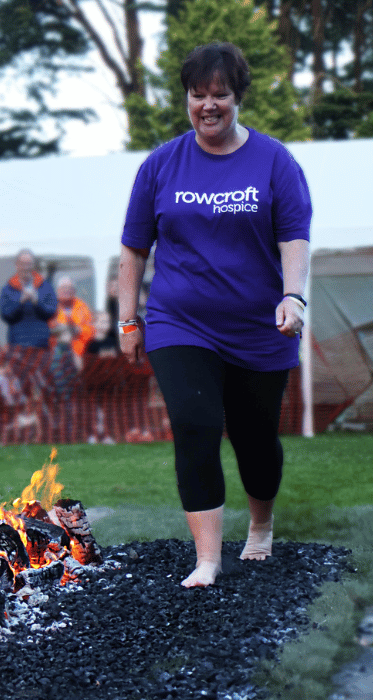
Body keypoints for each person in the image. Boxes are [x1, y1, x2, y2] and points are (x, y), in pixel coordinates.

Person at [118, 42, 312, 588]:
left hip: (258, 328)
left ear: (236, 98)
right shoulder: (160, 165)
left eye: (219, 94)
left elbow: (293, 237)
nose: (208, 105)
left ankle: (260, 523)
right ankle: (207, 559)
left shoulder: (275, 161)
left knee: (255, 442)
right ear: (186, 98)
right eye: (197, 94)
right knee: (197, 425)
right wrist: (128, 321)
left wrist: (292, 296)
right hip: (181, 323)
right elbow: (133, 248)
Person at [0, 249, 57, 349]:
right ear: (17, 265)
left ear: (33, 265)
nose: (26, 267)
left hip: (41, 345)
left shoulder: (46, 287)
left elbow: (52, 313)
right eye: (22, 264)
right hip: (16, 345)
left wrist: (37, 302)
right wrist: (20, 302)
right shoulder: (7, 289)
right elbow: (5, 315)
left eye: (29, 264)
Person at [49, 276, 95, 359]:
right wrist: (56, 329)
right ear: (57, 290)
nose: (67, 290)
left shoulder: (82, 306)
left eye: (70, 288)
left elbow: (91, 329)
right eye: (63, 287)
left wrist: (79, 330)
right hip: (54, 352)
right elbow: (43, 328)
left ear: (74, 291)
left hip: (79, 352)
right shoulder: (50, 306)